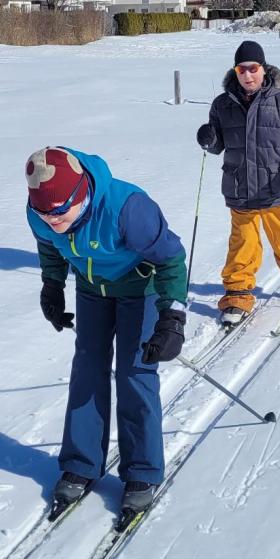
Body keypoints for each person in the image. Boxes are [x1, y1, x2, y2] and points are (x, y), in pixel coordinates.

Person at [25, 146, 187, 517]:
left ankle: (142, 471)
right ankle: (81, 463)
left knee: (134, 372)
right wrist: (52, 286)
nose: (52, 221)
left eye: (60, 212)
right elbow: (49, 246)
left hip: (140, 289)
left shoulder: (127, 208)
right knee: (87, 368)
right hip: (91, 290)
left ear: (80, 195)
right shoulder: (40, 211)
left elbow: (170, 258)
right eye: (43, 214)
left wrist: (172, 318)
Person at [196, 40, 280, 327]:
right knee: (243, 244)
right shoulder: (222, 104)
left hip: (279, 188)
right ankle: (238, 294)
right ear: (235, 71)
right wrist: (208, 139)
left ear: (263, 69)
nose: (248, 75)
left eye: (253, 68)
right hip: (240, 188)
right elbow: (218, 145)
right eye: (241, 69)